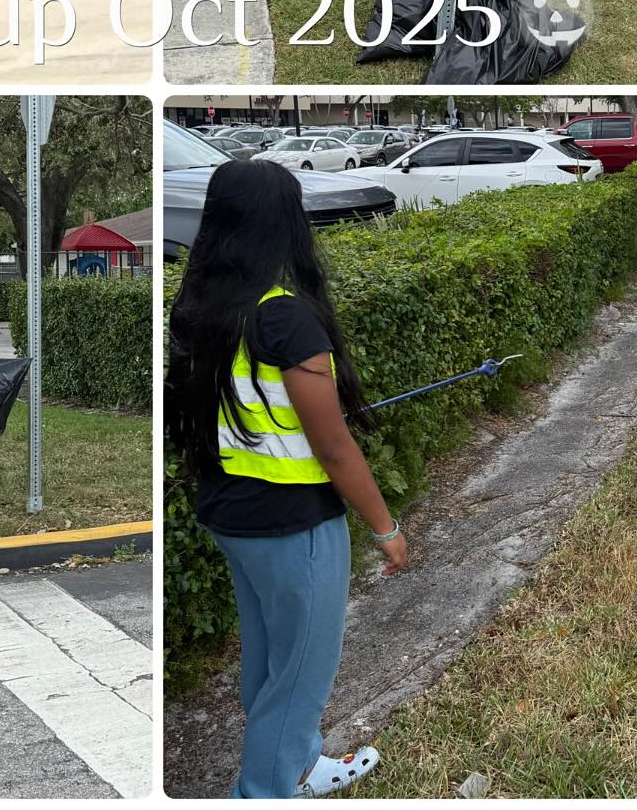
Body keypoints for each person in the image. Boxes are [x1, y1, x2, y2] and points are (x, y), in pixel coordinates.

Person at [166, 159, 409, 799]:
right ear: (285, 224)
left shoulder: (198, 307)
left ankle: (300, 764)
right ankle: (266, 788)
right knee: (301, 675)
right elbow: (332, 446)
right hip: (294, 526)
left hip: (232, 517)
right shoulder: (285, 317)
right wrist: (386, 528)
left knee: (271, 662)